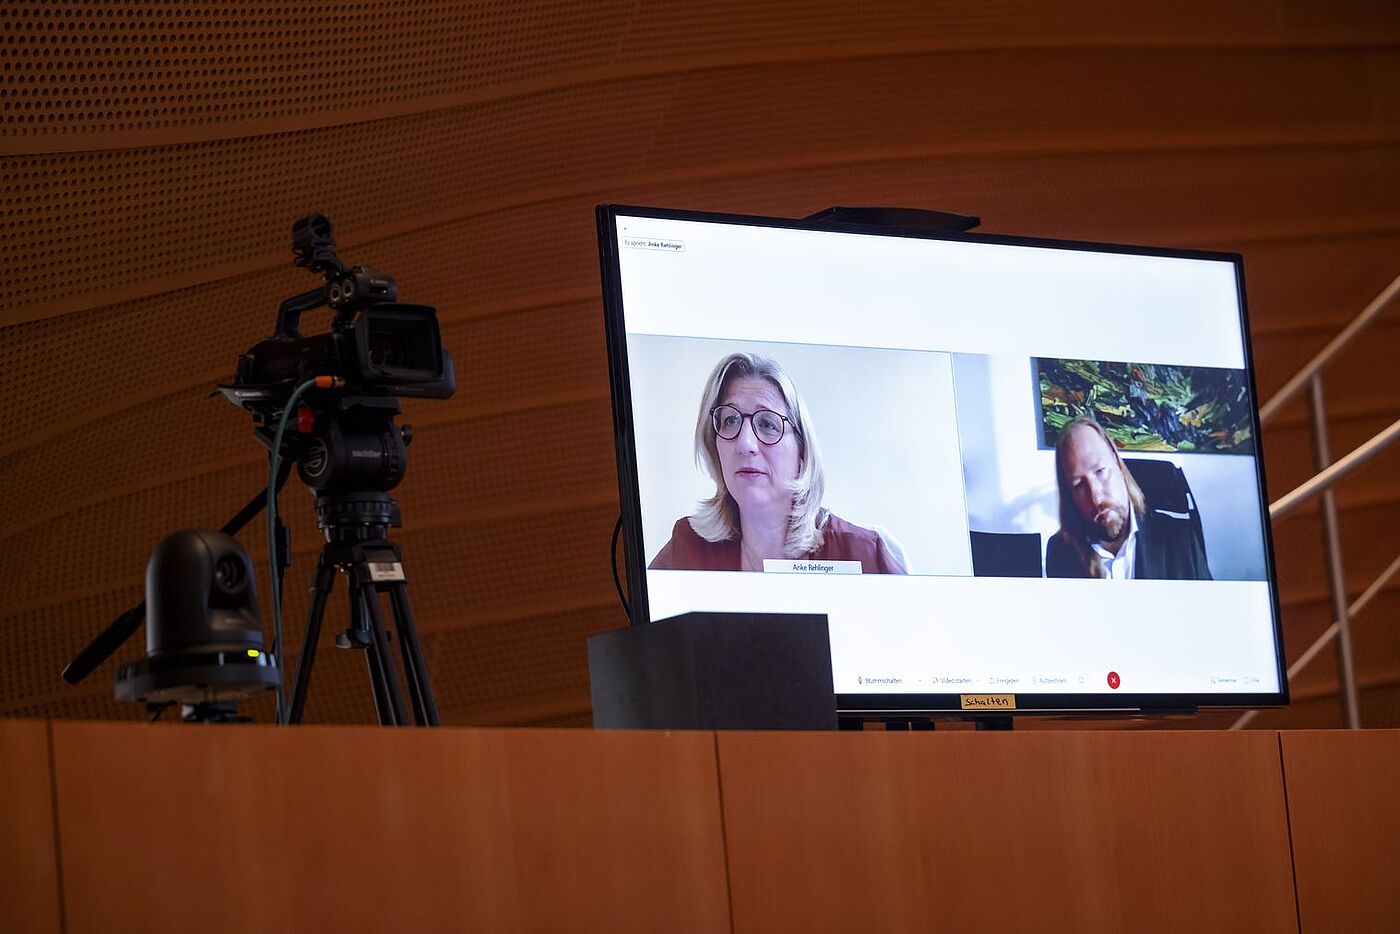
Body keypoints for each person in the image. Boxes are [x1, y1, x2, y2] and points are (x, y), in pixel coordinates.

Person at [649, 352, 906, 574]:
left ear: (802, 450)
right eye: (730, 420)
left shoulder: (862, 554)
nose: (745, 444)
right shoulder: (687, 549)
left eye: (768, 424)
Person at [1046, 416, 1211, 580]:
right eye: (1078, 485)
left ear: (1117, 463)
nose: (1096, 497)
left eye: (1100, 471)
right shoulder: (1060, 552)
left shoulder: (1181, 540)